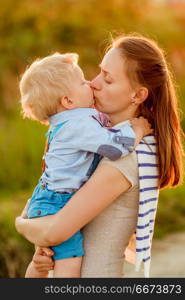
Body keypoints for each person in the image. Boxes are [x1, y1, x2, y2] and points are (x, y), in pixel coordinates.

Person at [16, 34, 184, 278]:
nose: (94, 83)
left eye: (107, 78)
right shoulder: (92, 142)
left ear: (137, 95)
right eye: (98, 73)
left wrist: (21, 224)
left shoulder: (126, 156)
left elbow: (55, 231)